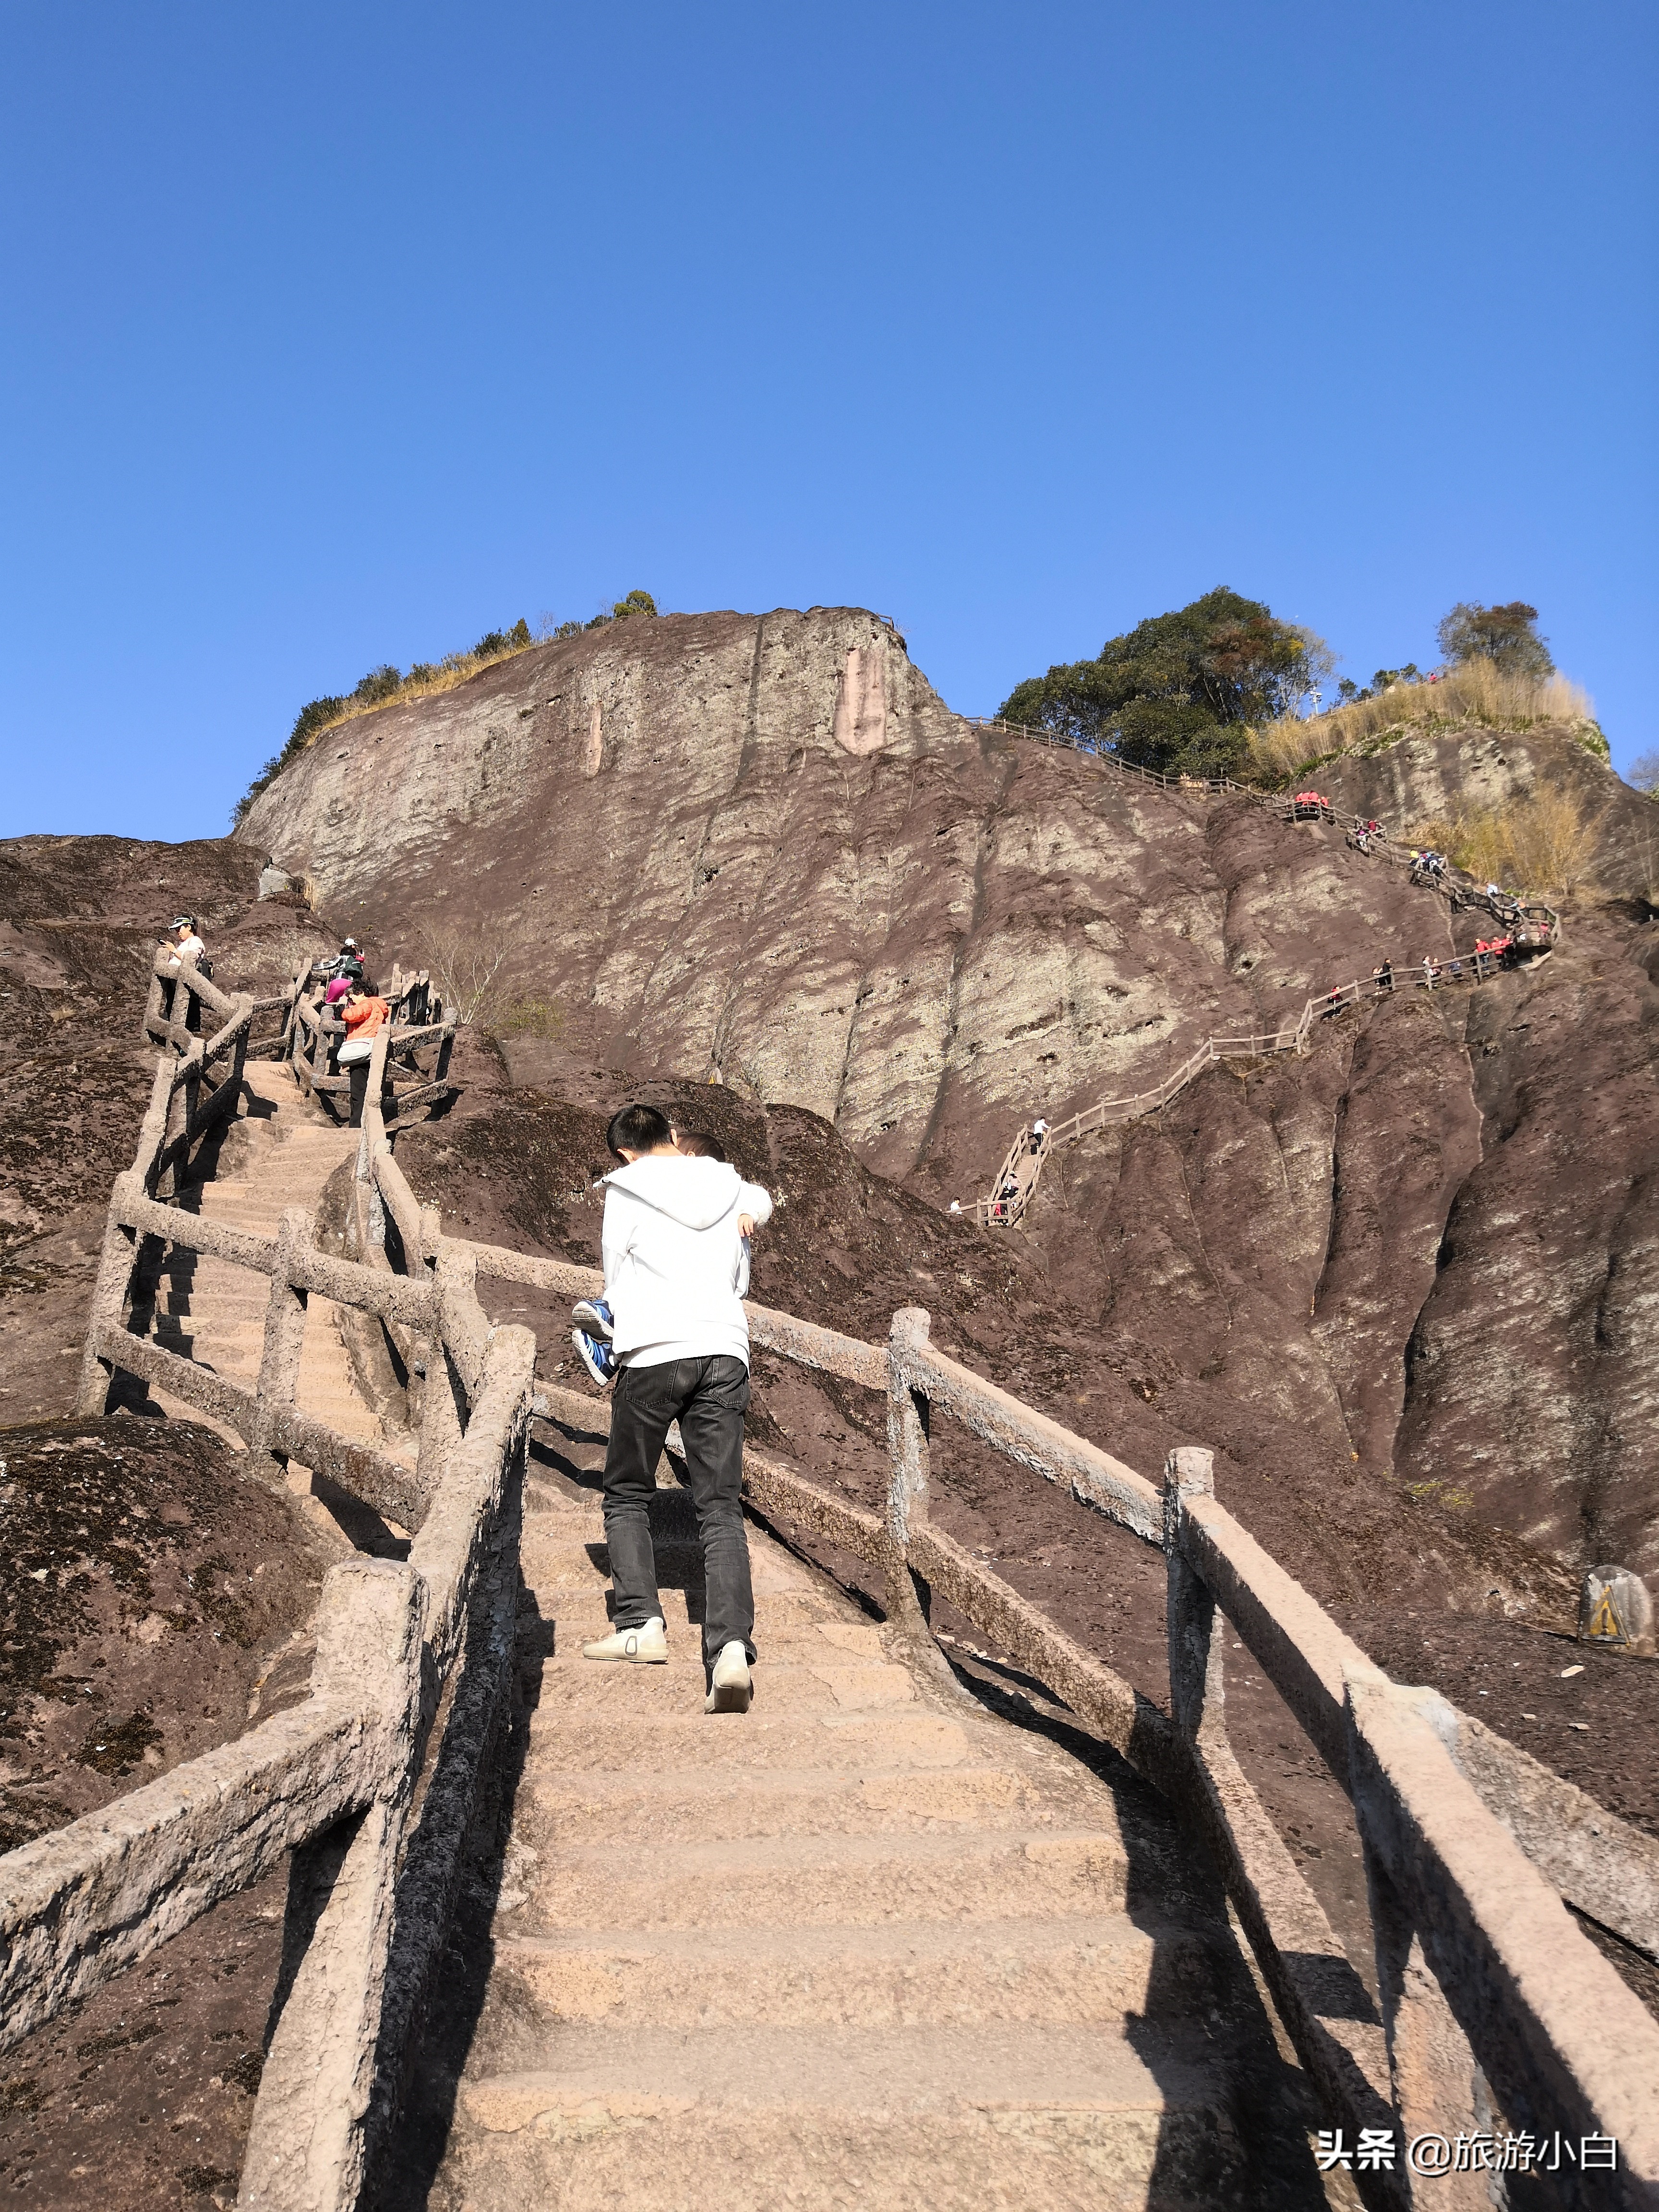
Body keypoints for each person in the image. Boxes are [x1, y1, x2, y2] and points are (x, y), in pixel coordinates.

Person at [581, 1103, 773, 1715]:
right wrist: (749, 1213)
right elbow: (750, 1244)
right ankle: (731, 1649)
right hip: (724, 1349)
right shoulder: (727, 1182)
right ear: (671, 1134)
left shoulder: (626, 1188)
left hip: (656, 1351)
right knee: (719, 1506)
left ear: (623, 1153)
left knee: (627, 1492)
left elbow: (615, 1278)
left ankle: (640, 1624)